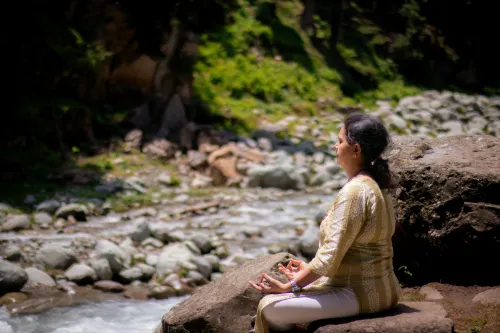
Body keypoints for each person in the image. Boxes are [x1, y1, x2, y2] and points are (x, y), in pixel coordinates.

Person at [248, 112, 401, 333]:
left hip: (360, 294)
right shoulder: (375, 184)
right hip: (386, 289)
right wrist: (307, 270)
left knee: (268, 306)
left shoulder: (355, 191)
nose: (335, 146)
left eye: (340, 141)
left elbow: (329, 256)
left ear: (356, 149)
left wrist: (288, 286)